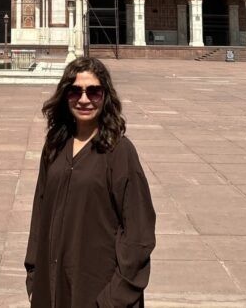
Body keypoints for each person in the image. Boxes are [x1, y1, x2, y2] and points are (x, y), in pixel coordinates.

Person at [25, 57, 156, 307]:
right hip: (51, 289)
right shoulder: (55, 146)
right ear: (65, 96)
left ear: (105, 96)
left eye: (94, 92)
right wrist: (33, 275)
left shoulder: (118, 151)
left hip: (98, 292)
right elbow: (39, 213)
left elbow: (139, 232)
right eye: (75, 91)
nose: (84, 99)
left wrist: (114, 297)